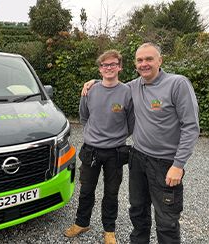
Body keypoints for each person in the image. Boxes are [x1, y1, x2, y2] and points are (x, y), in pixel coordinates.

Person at [81, 42, 200, 244]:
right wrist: (92, 82)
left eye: (149, 59)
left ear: (160, 61)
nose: (144, 64)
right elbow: (111, 85)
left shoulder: (177, 84)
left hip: (165, 163)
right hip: (137, 158)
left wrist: (178, 165)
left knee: (166, 220)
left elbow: (191, 127)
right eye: (140, 60)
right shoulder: (132, 87)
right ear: (135, 64)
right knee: (137, 211)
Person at [64, 50, 134, 244]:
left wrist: (115, 137)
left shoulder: (128, 92)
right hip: (91, 150)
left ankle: (109, 230)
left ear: (120, 67)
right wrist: (92, 134)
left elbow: (131, 123)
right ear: (100, 69)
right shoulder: (90, 90)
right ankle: (81, 223)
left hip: (116, 152)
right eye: (105, 65)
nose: (109, 68)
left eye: (113, 64)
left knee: (111, 193)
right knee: (86, 190)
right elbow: (84, 116)